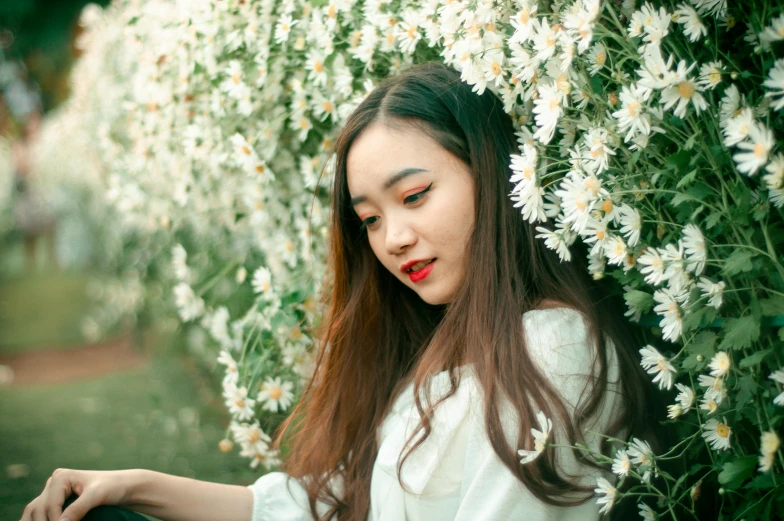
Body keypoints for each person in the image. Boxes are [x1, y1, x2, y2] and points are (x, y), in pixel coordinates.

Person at [21, 63, 660, 521]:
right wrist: (136, 486)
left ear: (492, 174)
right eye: (371, 219)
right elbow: (328, 503)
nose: (394, 239)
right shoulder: (446, 345)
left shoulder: (552, 351)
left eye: (414, 197)